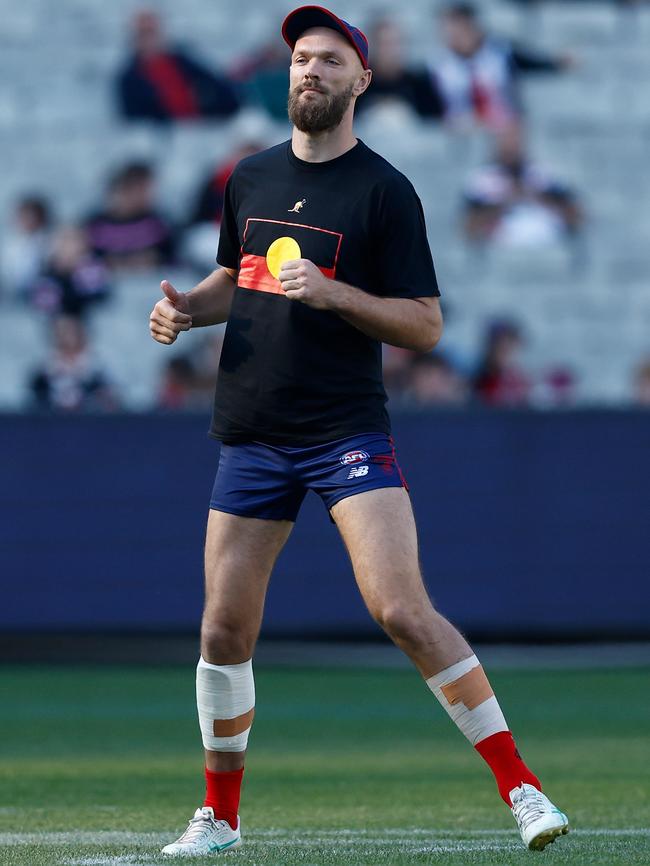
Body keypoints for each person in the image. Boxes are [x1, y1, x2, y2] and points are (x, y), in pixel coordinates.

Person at [149, 6, 569, 856]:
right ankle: (220, 817)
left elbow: (425, 326)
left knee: (402, 609)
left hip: (342, 429)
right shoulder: (251, 176)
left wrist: (334, 292)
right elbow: (240, 276)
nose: (311, 71)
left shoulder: (385, 191)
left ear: (361, 80)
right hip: (253, 430)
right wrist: (188, 310)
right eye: (302, 58)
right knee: (221, 631)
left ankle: (522, 788)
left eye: (330, 61)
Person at [433, 2, 574, 129]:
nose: (456, 35)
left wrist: (557, 64)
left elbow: (531, 62)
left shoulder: (500, 53)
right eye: (450, 30)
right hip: (461, 129)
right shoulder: (439, 66)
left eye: (461, 28)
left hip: (504, 127)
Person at [463, 121, 583, 248]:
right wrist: (506, 201)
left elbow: (577, 218)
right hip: (500, 252)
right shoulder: (481, 181)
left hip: (548, 249)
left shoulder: (546, 175)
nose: (510, 145)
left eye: (515, 138)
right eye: (505, 139)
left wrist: (536, 197)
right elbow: (468, 228)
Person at [116, 9, 240, 123]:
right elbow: (134, 118)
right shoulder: (129, 78)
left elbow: (223, 91)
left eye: (152, 32)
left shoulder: (184, 62)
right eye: (143, 34)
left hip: (200, 127)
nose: (149, 39)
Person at [85, 162, 176, 270]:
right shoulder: (95, 226)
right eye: (138, 189)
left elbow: (168, 260)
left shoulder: (159, 224)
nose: (147, 195)